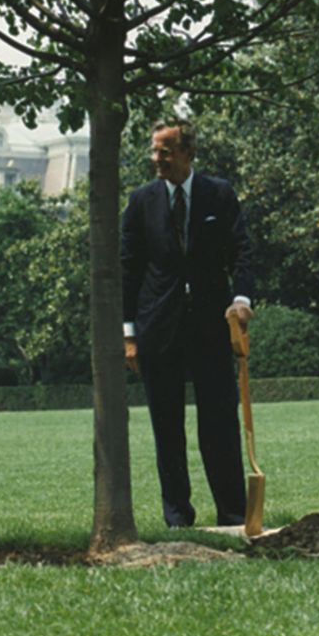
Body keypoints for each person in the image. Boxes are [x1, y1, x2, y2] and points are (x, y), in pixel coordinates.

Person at [121, 118, 255, 528]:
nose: (156, 158)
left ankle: (232, 511)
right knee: (167, 425)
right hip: (157, 329)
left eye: (165, 151)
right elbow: (128, 270)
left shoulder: (219, 194)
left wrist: (242, 299)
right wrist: (129, 334)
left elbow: (243, 251)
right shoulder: (141, 201)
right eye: (154, 150)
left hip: (211, 327)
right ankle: (178, 514)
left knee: (218, 421)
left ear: (188, 153)